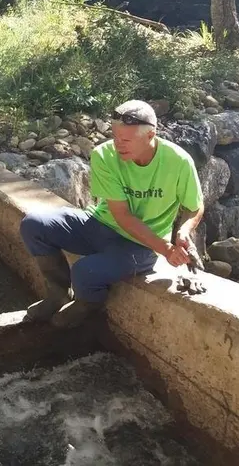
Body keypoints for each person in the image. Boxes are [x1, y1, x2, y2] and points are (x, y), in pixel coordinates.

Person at [19, 100, 204, 328]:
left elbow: (195, 206)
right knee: (34, 224)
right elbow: (121, 216)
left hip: (142, 245)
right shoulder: (104, 155)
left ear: (150, 136)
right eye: (115, 136)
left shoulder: (179, 161)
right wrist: (167, 250)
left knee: (85, 272)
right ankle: (57, 295)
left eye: (126, 140)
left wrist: (183, 232)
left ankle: (88, 304)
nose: (118, 145)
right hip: (100, 225)